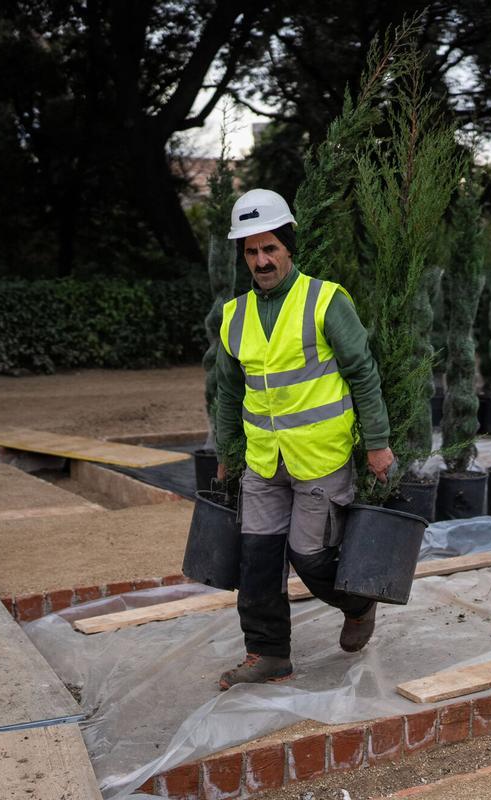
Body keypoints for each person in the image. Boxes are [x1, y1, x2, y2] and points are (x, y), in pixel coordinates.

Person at [213, 188, 395, 690]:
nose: (261, 261)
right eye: (251, 251)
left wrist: (377, 443)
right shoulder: (234, 315)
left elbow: (363, 373)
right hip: (263, 460)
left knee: (311, 558)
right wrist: (227, 452)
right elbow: (229, 392)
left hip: (321, 456)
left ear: (288, 247)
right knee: (256, 559)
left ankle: (358, 605)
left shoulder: (325, 300)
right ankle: (268, 654)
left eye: (270, 248)